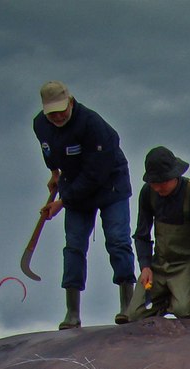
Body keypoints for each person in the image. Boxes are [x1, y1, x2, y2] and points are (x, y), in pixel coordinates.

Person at [33, 81, 138, 329]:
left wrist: (62, 202)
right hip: (73, 184)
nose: (57, 116)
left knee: (117, 240)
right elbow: (48, 150)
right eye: (52, 113)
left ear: (70, 101)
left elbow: (95, 174)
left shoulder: (93, 125)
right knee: (74, 246)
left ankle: (128, 306)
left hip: (109, 183)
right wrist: (55, 173)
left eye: (61, 110)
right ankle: (72, 313)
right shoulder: (40, 124)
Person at [118, 146, 190, 324]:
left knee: (185, 311)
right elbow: (142, 235)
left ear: (175, 175)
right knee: (135, 316)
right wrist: (145, 265)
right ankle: (174, 295)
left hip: (189, 260)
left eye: (163, 181)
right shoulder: (148, 193)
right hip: (161, 261)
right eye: (154, 182)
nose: (158, 187)